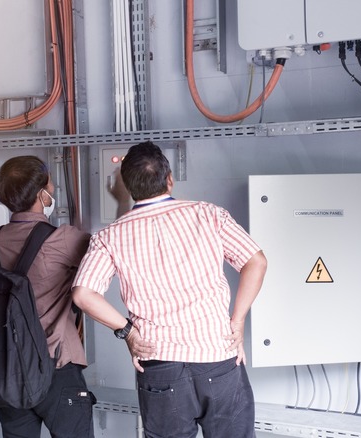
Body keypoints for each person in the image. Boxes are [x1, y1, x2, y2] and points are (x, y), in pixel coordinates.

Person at [71, 141, 268, 438]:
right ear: (169, 179)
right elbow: (257, 262)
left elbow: (83, 295)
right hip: (217, 356)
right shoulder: (208, 215)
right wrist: (237, 321)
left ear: (125, 186)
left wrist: (128, 332)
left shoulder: (109, 237)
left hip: (159, 366)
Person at [0, 155, 94, 438]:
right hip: (56, 368)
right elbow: (109, 248)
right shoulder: (61, 239)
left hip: (10, 370)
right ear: (41, 195)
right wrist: (121, 200)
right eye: (51, 186)